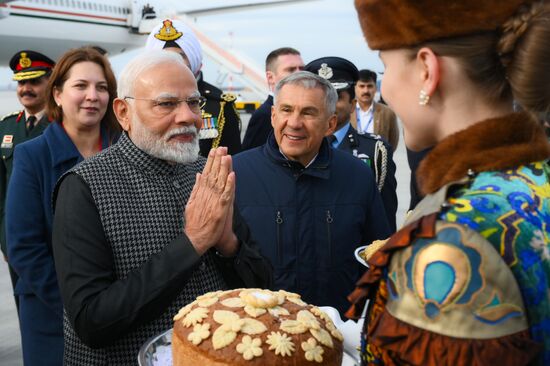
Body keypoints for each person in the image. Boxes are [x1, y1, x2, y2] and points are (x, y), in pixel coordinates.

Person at [347, 1, 550, 365]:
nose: (385, 91)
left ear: (427, 70)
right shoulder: (536, 177)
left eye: (386, 68)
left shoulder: (450, 239)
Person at [51, 50, 272, 364]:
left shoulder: (205, 173)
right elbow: (92, 321)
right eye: (166, 104)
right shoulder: (83, 187)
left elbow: (262, 287)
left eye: (193, 103)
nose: (188, 117)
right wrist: (192, 244)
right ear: (124, 112)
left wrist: (230, 247)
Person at [233, 71, 390, 316]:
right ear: (273, 116)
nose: (294, 123)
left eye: (308, 112)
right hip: (257, 334)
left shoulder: (357, 177)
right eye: (286, 110)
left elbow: (378, 258)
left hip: (337, 334)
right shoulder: (236, 174)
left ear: (330, 124)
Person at [5, 47, 119, 366]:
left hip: (124, 311)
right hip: (53, 313)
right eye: (80, 86)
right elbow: (24, 246)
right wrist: (81, 308)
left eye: (102, 87)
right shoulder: (33, 156)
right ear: (57, 94)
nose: (92, 96)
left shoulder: (127, 149)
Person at [305, 56, 398, 231]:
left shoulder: (375, 151)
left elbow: (385, 218)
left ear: (352, 103)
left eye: (337, 97)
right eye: (321, 98)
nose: (328, 105)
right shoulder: (295, 148)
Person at [0, 50, 55, 312]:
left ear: (51, 83)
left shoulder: (63, 125)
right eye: (22, 83)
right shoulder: (6, 128)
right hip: (16, 246)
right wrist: (6, 242)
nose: (26, 89)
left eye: (34, 81)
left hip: (54, 244)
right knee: (26, 312)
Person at [145, 18, 242, 156]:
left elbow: (232, 159)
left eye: (180, 56)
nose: (173, 61)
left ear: (194, 61)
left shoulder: (219, 105)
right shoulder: (141, 100)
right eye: (164, 55)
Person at [241, 47, 304, 150]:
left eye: (302, 69)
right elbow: (251, 159)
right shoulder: (264, 116)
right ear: (270, 78)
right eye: (291, 70)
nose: (299, 74)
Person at [352, 69, 400, 151]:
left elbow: (392, 143)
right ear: (355, 88)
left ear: (376, 88)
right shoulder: (347, 112)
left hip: (378, 162)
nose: (366, 90)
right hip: (351, 162)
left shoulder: (388, 113)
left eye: (370, 86)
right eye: (362, 86)